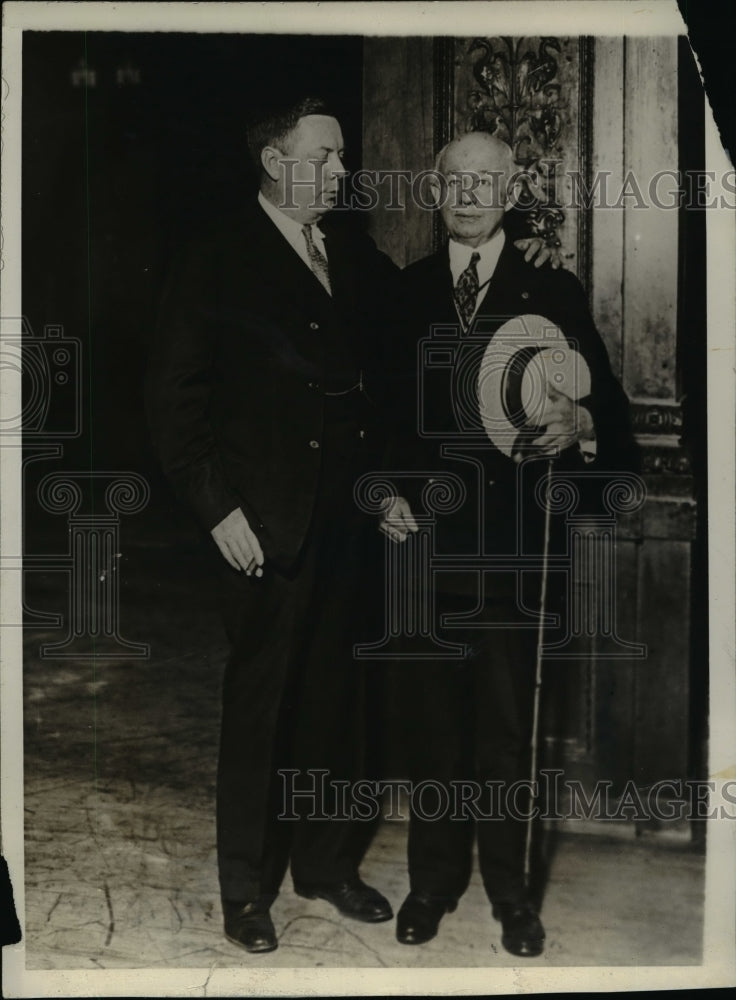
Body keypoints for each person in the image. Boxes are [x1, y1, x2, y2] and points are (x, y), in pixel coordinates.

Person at [146, 96, 404, 954]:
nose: (343, 171)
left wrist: (386, 489)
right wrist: (218, 508)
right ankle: (246, 889)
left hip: (347, 525)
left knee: (339, 703)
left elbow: (378, 394)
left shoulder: (353, 255)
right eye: (326, 157)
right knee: (263, 707)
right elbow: (174, 403)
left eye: (342, 158)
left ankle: (326, 865)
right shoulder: (214, 258)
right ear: (274, 162)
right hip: (263, 529)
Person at [381, 132, 635, 958]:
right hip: (423, 550)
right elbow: (372, 421)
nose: (469, 194)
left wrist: (584, 421)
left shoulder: (550, 290)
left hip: (515, 556)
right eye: (455, 179)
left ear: (510, 187)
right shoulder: (404, 291)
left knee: (502, 735)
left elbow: (614, 416)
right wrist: (382, 492)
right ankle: (431, 884)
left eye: (486, 180)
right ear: (435, 187)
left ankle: (512, 896)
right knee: (433, 734)